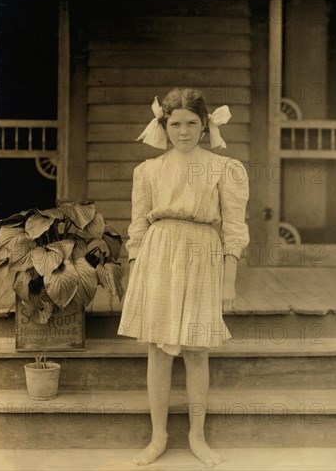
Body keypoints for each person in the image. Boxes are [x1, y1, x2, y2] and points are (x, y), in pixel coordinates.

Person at [118, 87, 249, 467]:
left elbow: (235, 230)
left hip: (202, 255)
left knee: (196, 349)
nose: (184, 131)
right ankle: (158, 437)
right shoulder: (147, 171)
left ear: (205, 125)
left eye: (192, 123)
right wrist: (134, 277)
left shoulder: (225, 168)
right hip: (158, 257)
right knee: (158, 350)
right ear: (164, 125)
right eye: (176, 123)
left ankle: (197, 436)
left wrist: (229, 281)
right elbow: (138, 229)